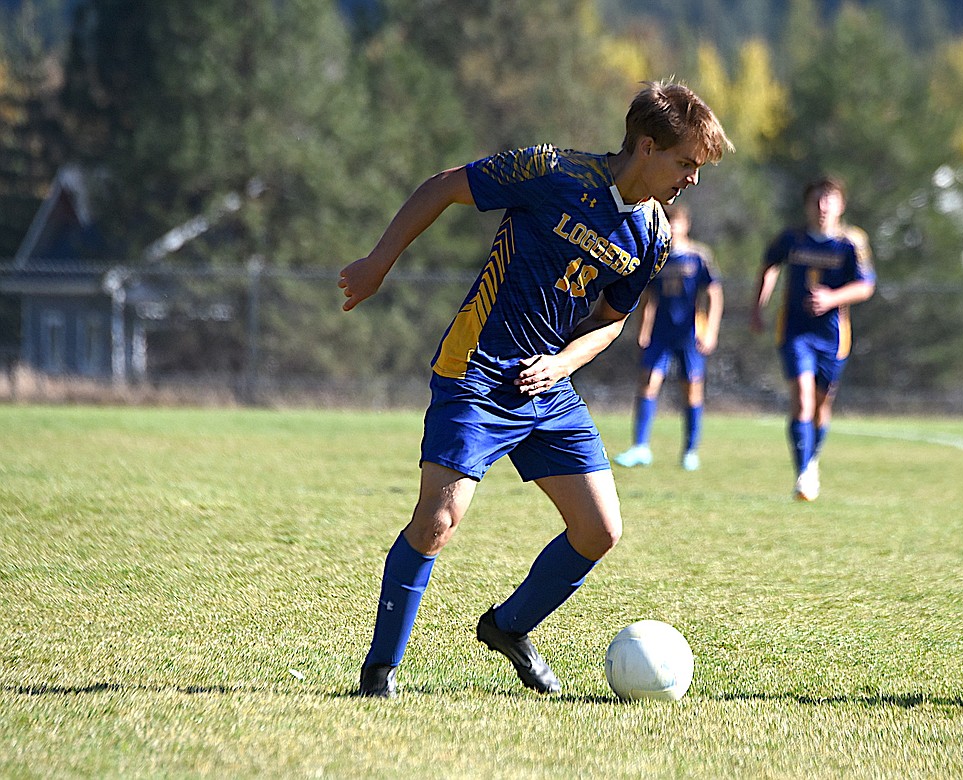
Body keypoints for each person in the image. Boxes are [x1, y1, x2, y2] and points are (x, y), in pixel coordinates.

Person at [338, 81, 732, 698]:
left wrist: (562, 364)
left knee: (600, 530)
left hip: (547, 386)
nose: (692, 180)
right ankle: (379, 672)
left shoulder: (654, 236)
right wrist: (378, 262)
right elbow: (444, 185)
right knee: (438, 518)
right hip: (476, 367)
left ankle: (509, 627)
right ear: (647, 147)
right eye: (686, 163)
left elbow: (611, 321)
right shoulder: (551, 170)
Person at [750, 176, 875, 502]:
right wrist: (758, 307)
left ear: (841, 205)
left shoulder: (852, 242)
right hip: (795, 331)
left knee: (822, 407)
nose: (822, 206)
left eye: (829, 199)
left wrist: (832, 299)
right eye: (816, 200)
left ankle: (812, 458)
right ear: (807, 205)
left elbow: (865, 286)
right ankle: (803, 473)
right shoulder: (792, 238)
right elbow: (768, 266)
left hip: (833, 337)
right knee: (802, 399)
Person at [613, 203, 724, 471]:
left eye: (677, 222)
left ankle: (690, 451)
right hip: (661, 333)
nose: (673, 227)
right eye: (668, 222)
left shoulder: (699, 256)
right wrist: (643, 329)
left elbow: (714, 294)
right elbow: (648, 298)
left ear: (686, 225)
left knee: (691, 389)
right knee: (648, 383)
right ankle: (640, 447)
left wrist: (710, 330)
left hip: (689, 334)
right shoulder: (656, 256)